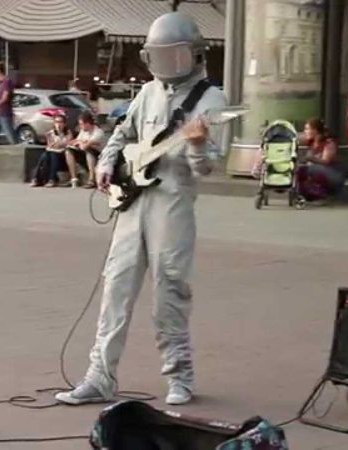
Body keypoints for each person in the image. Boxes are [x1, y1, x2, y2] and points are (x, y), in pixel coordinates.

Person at [54, 12, 226, 407]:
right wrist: (106, 162)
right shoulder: (148, 91)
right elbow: (123, 133)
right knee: (116, 286)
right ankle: (99, 376)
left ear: (195, 55)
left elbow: (205, 167)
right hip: (134, 202)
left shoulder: (212, 100)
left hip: (173, 202)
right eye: (161, 56)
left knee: (170, 288)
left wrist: (197, 144)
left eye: (176, 56)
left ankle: (179, 375)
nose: (169, 64)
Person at [296, 118, 345, 202]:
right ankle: (312, 194)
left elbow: (326, 161)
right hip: (321, 173)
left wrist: (310, 158)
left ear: (315, 130)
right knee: (299, 170)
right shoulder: (311, 141)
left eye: (307, 129)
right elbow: (297, 138)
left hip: (334, 176)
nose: (305, 131)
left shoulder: (329, 143)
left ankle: (322, 193)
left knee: (309, 169)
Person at [65, 111, 105, 188]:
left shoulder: (98, 132)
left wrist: (81, 142)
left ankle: (92, 179)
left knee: (88, 150)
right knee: (68, 150)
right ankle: (74, 178)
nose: (80, 126)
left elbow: (85, 146)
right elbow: (74, 142)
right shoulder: (83, 131)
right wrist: (80, 142)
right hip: (84, 154)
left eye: (81, 124)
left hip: (98, 157)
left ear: (87, 123)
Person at [30, 114, 72, 187]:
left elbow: (68, 143)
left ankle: (45, 179)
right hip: (52, 154)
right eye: (56, 122)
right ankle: (42, 179)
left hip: (63, 156)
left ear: (64, 124)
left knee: (51, 154)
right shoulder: (50, 133)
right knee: (46, 156)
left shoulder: (68, 133)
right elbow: (50, 145)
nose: (58, 125)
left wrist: (60, 144)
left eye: (60, 122)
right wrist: (56, 144)